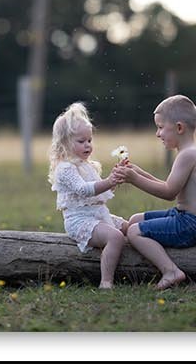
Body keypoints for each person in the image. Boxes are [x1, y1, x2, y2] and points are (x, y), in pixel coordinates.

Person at [113, 94, 196, 289]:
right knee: (135, 220)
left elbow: (168, 193)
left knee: (135, 232)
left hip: (194, 225)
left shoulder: (188, 155)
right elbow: (169, 185)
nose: (157, 133)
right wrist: (138, 171)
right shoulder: (189, 152)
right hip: (186, 217)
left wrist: (134, 179)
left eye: (161, 127)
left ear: (179, 128)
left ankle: (171, 271)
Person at [46, 101, 132, 288]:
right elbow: (84, 190)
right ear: (64, 143)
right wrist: (108, 181)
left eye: (89, 140)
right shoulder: (65, 168)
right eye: (81, 141)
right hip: (80, 220)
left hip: (98, 215)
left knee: (129, 225)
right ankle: (106, 281)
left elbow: (100, 192)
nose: (88, 145)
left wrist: (115, 179)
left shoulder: (87, 165)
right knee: (115, 237)